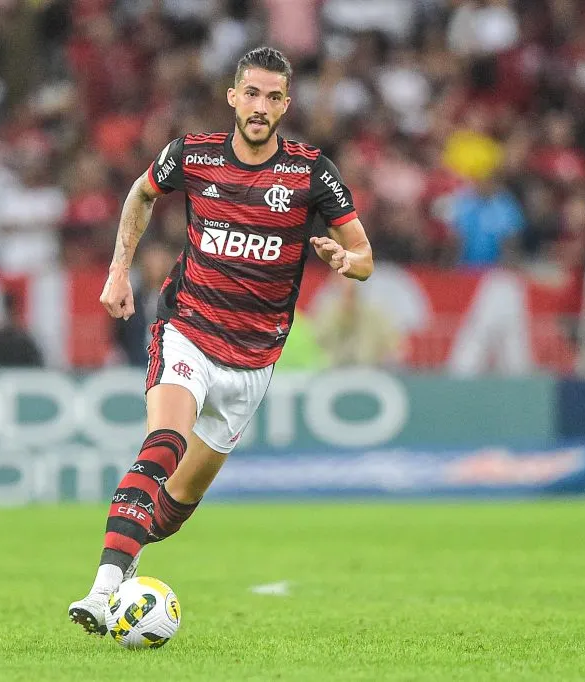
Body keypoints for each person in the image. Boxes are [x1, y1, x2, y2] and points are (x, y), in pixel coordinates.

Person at [68, 46, 373, 634]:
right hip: (188, 329)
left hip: (253, 363)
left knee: (175, 507)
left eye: (273, 97)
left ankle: (128, 562)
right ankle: (102, 590)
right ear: (233, 96)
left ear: (287, 105)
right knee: (163, 444)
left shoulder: (311, 172)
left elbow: (364, 256)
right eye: (251, 94)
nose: (261, 107)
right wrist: (117, 271)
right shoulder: (193, 154)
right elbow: (141, 193)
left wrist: (344, 258)